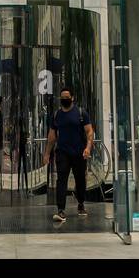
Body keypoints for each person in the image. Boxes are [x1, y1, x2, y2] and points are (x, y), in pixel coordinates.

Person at [45, 87, 94, 224]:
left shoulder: (80, 113)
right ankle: (61, 209)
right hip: (62, 152)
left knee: (80, 180)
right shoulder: (56, 115)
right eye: (62, 97)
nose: (64, 99)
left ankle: (81, 203)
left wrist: (88, 147)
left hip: (79, 152)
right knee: (61, 180)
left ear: (72, 98)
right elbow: (51, 136)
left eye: (67, 97)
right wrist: (47, 153)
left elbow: (89, 131)